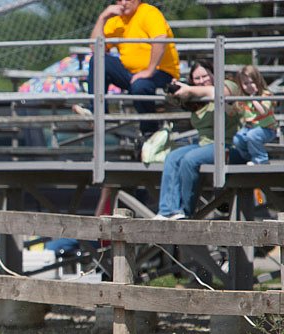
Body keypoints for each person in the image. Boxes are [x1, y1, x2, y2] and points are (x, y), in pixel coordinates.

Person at [74, 0, 180, 136]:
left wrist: (149, 71)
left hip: (161, 73)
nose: (123, 3)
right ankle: (97, 114)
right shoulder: (117, 20)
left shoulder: (148, 12)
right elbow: (96, 48)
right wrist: (102, 18)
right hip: (132, 74)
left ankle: (149, 132)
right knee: (98, 60)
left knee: (140, 85)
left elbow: (160, 38)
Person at [154, 59, 244, 220]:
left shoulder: (229, 85)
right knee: (172, 157)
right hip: (204, 144)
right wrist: (175, 91)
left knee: (189, 160)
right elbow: (170, 103)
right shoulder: (194, 97)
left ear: (213, 73)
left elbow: (219, 93)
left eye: (205, 76)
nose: (202, 81)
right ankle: (167, 210)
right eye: (197, 78)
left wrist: (192, 90)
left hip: (229, 145)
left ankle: (184, 212)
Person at [233, 65, 278, 165]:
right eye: (245, 83)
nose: (249, 85)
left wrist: (253, 99)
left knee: (252, 135)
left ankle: (261, 159)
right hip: (250, 128)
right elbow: (237, 110)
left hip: (267, 129)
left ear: (258, 81)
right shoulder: (243, 98)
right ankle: (250, 157)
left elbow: (263, 111)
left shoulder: (265, 95)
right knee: (237, 139)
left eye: (252, 82)